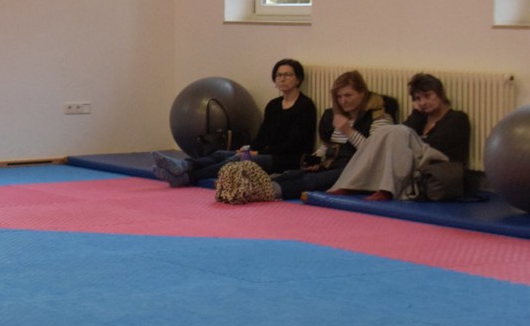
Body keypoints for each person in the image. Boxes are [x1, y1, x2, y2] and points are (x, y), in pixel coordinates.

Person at [153, 58, 318, 186]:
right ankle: (184, 165)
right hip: (267, 153)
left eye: (288, 75)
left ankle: (189, 177)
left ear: (298, 79)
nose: (282, 79)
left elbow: (295, 143)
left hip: (288, 158)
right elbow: (263, 135)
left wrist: (258, 153)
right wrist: (248, 149)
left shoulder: (305, 106)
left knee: (234, 161)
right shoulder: (274, 105)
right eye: (279, 75)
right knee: (221, 154)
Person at [328, 73, 471, 200]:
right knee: (388, 131)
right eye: (418, 98)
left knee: (398, 132)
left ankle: (387, 190)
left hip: (439, 162)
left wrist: (411, 129)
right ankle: (349, 185)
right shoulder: (422, 117)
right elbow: (403, 134)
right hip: (417, 159)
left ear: (440, 94)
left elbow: (433, 144)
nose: (423, 102)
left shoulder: (457, 118)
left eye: (427, 96)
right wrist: (417, 114)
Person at [271, 70, 393, 200]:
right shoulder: (334, 115)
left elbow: (375, 153)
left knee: (312, 181)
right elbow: (327, 145)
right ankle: (263, 186)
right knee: (291, 175)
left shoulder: (378, 117)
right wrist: (316, 158)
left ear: (362, 93)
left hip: (357, 169)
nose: (343, 101)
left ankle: (270, 191)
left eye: (348, 95)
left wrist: (348, 131)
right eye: (339, 97)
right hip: (332, 163)